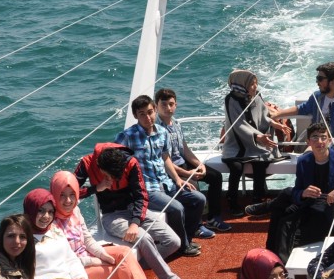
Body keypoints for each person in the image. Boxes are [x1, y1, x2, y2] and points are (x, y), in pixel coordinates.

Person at [73, 142, 193, 279]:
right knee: (144, 237)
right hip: (112, 215)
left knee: (174, 241)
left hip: (134, 211)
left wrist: (135, 222)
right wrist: (95, 188)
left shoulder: (130, 162)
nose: (110, 180)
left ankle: (139, 267)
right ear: (99, 165)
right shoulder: (87, 163)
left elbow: (141, 196)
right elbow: (71, 192)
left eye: (114, 177)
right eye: (107, 176)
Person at [50, 169, 155, 279]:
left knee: (124, 253)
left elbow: (87, 238)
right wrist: (97, 260)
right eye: (62, 195)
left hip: (86, 256)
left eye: (72, 194)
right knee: (122, 270)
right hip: (76, 270)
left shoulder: (75, 211)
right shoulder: (52, 223)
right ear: (54, 195)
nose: (68, 200)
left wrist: (103, 254)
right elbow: (66, 259)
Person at [118, 94, 208, 252]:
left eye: (150, 112)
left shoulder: (161, 132)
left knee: (199, 199)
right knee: (177, 208)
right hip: (147, 189)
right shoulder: (127, 136)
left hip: (166, 182)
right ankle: (183, 247)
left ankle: (186, 237)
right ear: (135, 116)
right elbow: (114, 160)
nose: (148, 117)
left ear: (154, 110)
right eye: (142, 114)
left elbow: (165, 157)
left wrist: (178, 180)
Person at [155, 87, 231, 233]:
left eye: (171, 104)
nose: (168, 108)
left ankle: (213, 218)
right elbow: (165, 161)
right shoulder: (157, 129)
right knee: (192, 187)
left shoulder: (176, 123)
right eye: (163, 104)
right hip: (170, 169)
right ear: (156, 105)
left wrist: (200, 165)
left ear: (176, 105)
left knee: (215, 176)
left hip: (182, 162)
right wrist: (187, 173)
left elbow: (185, 149)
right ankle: (195, 226)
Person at [263, 123, 334, 259]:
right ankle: (271, 257)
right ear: (308, 142)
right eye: (315, 138)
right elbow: (297, 189)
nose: (320, 142)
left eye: (323, 137)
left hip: (327, 210)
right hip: (308, 204)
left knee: (288, 229)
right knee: (281, 217)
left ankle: (280, 266)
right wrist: (303, 193)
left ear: (329, 140)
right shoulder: (303, 161)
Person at [222, 69, 287, 213]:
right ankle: (232, 200)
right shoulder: (230, 100)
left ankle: (258, 200)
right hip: (236, 145)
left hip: (255, 144)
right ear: (242, 84)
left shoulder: (256, 96)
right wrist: (258, 137)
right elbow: (238, 124)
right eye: (252, 84)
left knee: (261, 163)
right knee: (237, 167)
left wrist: (275, 124)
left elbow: (263, 116)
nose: (255, 87)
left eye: (256, 83)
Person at [271, 60, 334, 140]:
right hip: (317, 140)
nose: (317, 82)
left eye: (320, 79)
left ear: (333, 82)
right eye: (317, 78)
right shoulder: (317, 96)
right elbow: (301, 109)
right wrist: (277, 114)